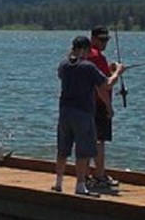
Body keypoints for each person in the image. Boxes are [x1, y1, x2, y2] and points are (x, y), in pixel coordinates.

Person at [53, 35, 124, 196]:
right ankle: (80, 186)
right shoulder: (88, 67)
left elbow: (67, 70)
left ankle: (58, 183)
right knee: (83, 151)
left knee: (63, 149)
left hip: (64, 112)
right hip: (83, 113)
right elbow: (106, 84)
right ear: (85, 50)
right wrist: (117, 72)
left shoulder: (63, 65)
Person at [87, 26, 120, 192]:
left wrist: (111, 71)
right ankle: (99, 176)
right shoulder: (96, 56)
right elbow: (105, 85)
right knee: (99, 141)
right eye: (101, 39)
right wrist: (118, 72)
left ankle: (86, 175)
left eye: (106, 39)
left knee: (87, 139)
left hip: (86, 103)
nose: (104, 42)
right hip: (99, 104)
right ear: (92, 38)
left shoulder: (85, 55)